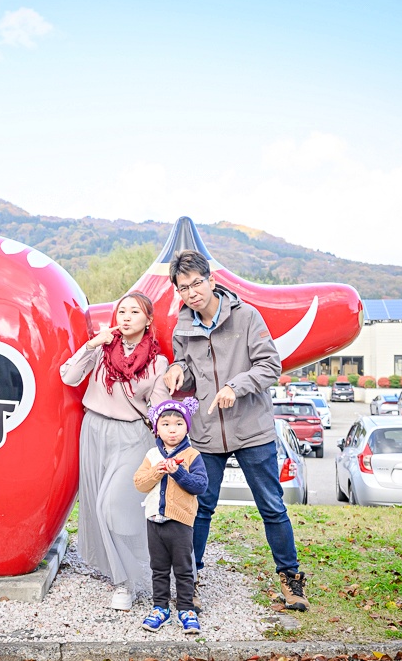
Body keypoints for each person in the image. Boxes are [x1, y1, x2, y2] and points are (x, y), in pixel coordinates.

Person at [162, 249, 310, 612]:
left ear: (211, 280)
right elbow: (191, 372)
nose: (193, 292)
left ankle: (291, 580)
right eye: (184, 288)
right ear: (178, 293)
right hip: (209, 432)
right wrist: (178, 371)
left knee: (272, 507)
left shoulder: (246, 316)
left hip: (253, 429)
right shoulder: (182, 327)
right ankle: (188, 582)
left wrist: (235, 385)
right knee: (199, 508)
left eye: (197, 283)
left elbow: (270, 365)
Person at [60, 292, 170, 610]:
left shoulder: (157, 362)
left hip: (133, 435)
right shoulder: (102, 351)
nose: (125, 317)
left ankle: (126, 583)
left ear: (148, 320)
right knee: (97, 506)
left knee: (113, 505)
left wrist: (169, 443)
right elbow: (68, 375)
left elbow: (159, 408)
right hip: (93, 430)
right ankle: (118, 569)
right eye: (121, 311)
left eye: (134, 312)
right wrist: (93, 344)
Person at [133, 398, 208, 634]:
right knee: (159, 567)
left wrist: (179, 474)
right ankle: (160, 608)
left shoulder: (192, 455)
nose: (172, 429)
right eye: (165, 424)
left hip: (180, 522)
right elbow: (139, 483)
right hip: (154, 520)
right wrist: (157, 471)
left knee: (184, 568)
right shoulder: (152, 455)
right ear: (157, 429)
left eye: (178, 423)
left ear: (187, 427)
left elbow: (200, 485)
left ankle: (185, 608)